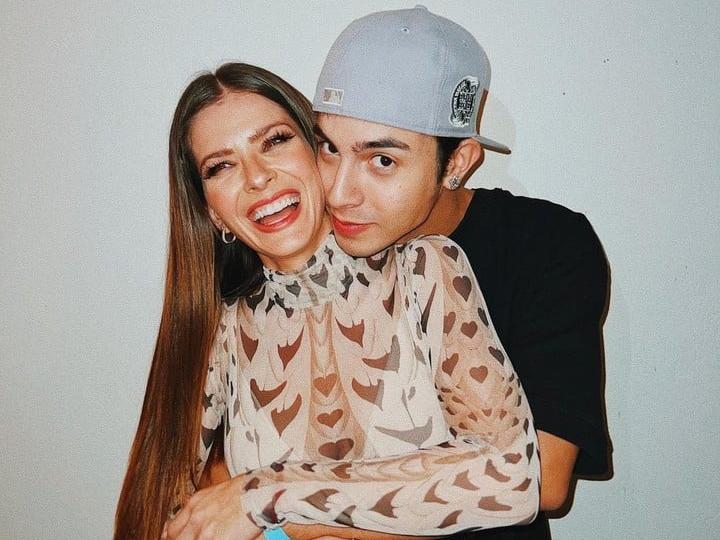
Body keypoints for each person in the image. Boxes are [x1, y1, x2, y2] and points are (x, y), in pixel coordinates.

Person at [116, 63, 539, 540]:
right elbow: (163, 515)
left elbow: (512, 481)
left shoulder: (426, 270)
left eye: (274, 141)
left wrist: (268, 494)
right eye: (221, 166)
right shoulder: (220, 332)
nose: (257, 177)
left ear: (320, 153)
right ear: (212, 211)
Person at [308, 6, 611, 540]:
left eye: (382, 160)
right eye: (330, 148)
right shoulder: (303, 243)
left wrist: (293, 515)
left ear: (458, 162)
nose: (338, 192)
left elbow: (540, 480)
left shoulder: (544, 244)